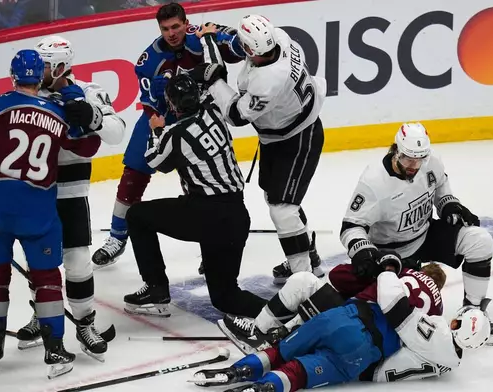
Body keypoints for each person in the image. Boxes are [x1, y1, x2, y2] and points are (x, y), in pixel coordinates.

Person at [0, 49, 101, 378]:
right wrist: (87, 118)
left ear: (13, 76)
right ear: (39, 76)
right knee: (47, 279)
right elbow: (89, 147)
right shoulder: (58, 113)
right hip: (38, 209)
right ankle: (55, 349)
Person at [92, 2, 245, 269]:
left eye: (176, 26)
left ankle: (211, 245)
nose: (171, 33)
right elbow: (151, 104)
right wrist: (158, 127)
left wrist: (231, 37)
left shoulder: (200, 35)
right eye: (165, 29)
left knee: (202, 184)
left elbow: (236, 47)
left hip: (200, 115)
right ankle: (116, 238)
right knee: (133, 175)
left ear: (186, 23)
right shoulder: (149, 60)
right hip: (162, 115)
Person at [190, 268, 491, 392]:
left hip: (346, 315)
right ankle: (264, 387)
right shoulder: (436, 326)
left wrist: (384, 266)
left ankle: (252, 348)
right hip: (366, 357)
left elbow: (339, 276)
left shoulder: (403, 277)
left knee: (302, 289)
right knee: (298, 372)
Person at [13, 35, 126, 361]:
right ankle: (42, 316)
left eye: (46, 65)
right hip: (35, 191)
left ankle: (84, 325)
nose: (40, 69)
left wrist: (92, 116)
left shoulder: (90, 91)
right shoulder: (26, 92)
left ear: (62, 66)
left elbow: (117, 133)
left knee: (77, 264)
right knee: (40, 263)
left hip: (72, 191)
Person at [190, 15, 326, 285]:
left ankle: (305, 279)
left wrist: (215, 81)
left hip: (298, 135)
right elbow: (243, 45)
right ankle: (308, 255)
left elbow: (236, 115)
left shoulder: (268, 81)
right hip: (279, 133)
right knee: (276, 198)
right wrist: (218, 32)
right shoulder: (280, 38)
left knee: (283, 208)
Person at [122, 73, 267, 318]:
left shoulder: (175, 134)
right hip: (237, 215)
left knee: (136, 215)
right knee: (226, 296)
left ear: (171, 105)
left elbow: (155, 161)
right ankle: (285, 312)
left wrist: (156, 130)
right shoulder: (214, 111)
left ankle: (156, 288)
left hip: (205, 216)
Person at [339, 122, 493, 343]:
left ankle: (473, 311)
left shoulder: (430, 162)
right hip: (391, 254)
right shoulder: (374, 182)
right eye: (408, 159)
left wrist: (449, 205)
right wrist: (362, 251)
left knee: (480, 241)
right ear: (395, 150)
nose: (414, 165)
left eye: (419, 159)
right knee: (397, 320)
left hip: (424, 234)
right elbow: (351, 226)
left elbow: (442, 188)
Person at [218, 261, 447, 355]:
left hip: (350, 322)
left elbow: (337, 276)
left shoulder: (400, 274)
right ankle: (273, 338)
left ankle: (260, 333)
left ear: (420, 272)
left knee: (304, 281)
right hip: (372, 347)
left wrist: (373, 269)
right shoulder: (437, 309)